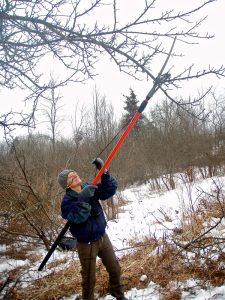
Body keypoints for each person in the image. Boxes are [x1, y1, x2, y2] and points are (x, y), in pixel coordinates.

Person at [57, 158, 128, 300]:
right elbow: (78, 217)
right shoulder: (67, 202)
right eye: (71, 177)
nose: (75, 176)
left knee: (115, 268)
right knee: (89, 279)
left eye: (75, 173)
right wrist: (83, 198)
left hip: (103, 237)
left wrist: (104, 172)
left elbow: (108, 190)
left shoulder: (89, 186)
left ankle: (117, 293)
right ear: (67, 185)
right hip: (86, 243)